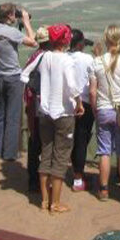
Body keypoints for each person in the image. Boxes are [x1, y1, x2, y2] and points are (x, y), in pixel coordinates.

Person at [36, 23, 83, 214]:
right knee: (61, 156)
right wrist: (79, 102)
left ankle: (44, 200)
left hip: (45, 111)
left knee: (46, 152)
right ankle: (55, 203)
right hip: (63, 112)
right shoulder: (66, 60)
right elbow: (72, 86)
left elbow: (26, 74)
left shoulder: (44, 56)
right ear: (65, 39)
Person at [0, 3, 37, 161]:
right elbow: (33, 42)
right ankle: (9, 153)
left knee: (1, 115)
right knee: (13, 116)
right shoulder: (12, 32)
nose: (16, 16)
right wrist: (27, 21)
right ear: (9, 16)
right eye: (14, 14)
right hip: (13, 78)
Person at [92, 25, 120, 201]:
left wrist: (95, 111)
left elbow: (93, 91)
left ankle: (103, 189)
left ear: (106, 40)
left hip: (103, 109)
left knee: (104, 151)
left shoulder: (96, 62)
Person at [19, 27, 51, 191]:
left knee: (34, 140)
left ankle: (33, 178)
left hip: (32, 104)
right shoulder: (48, 58)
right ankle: (43, 179)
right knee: (45, 142)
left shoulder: (34, 57)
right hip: (44, 105)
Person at [68, 28, 97, 191]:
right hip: (84, 103)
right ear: (80, 44)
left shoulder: (63, 57)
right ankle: (78, 178)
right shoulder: (87, 59)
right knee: (81, 140)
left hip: (66, 103)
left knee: (66, 139)